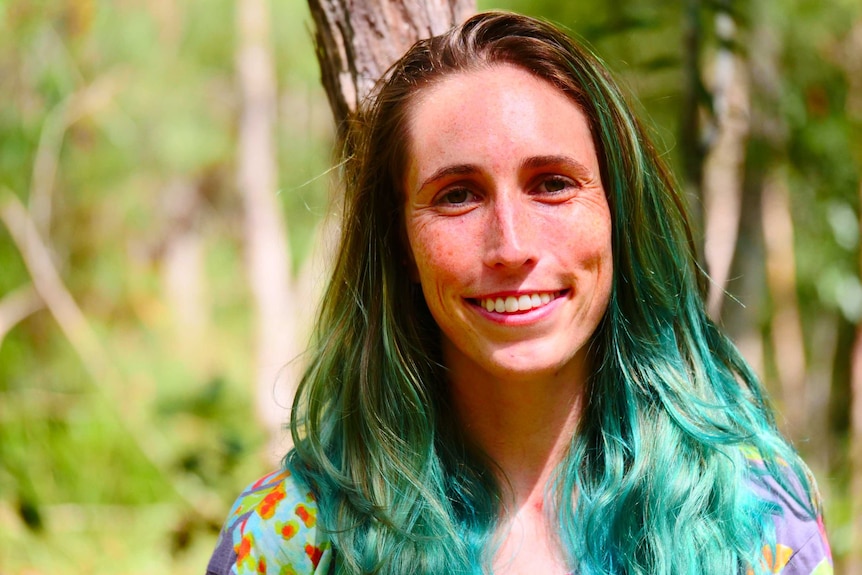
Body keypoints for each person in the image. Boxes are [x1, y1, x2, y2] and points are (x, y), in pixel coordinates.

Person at [206, 11, 832, 575]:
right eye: (458, 195)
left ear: (620, 214)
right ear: (400, 245)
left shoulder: (753, 523)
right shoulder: (290, 540)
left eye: (554, 183)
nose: (511, 245)